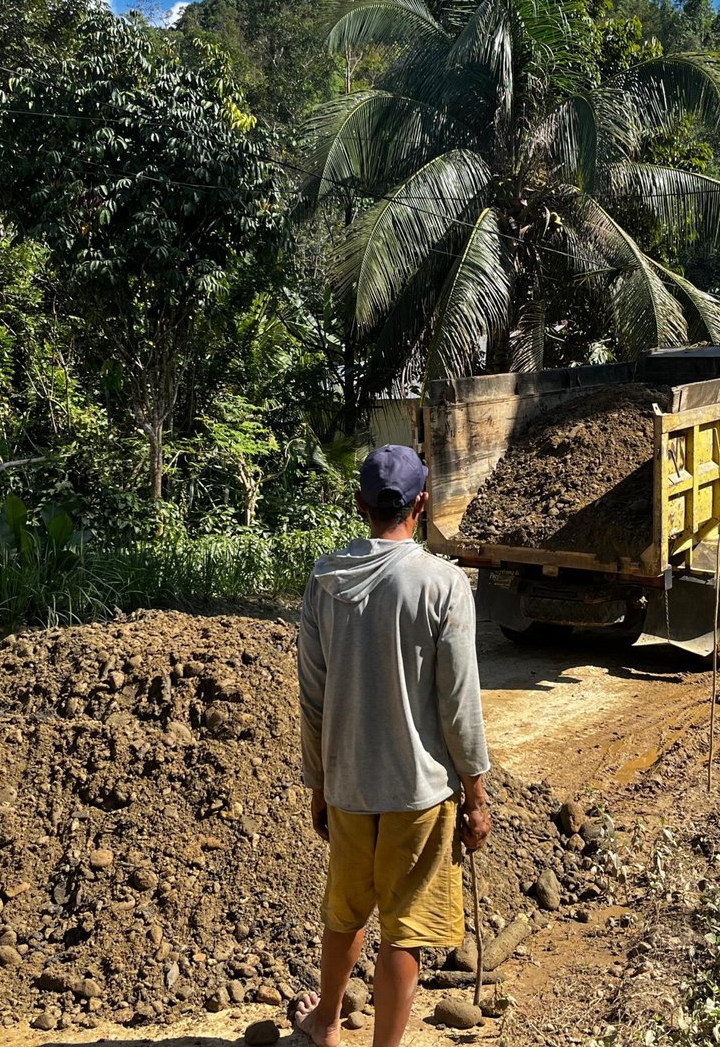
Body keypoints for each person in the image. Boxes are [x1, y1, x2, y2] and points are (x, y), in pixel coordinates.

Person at [292, 444, 492, 1047]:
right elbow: (459, 703)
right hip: (420, 793)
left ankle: (325, 1023)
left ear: (360, 505)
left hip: (350, 785)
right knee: (404, 927)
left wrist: (319, 785)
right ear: (422, 503)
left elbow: (313, 697)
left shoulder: (327, 581)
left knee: (346, 909)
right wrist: (477, 793)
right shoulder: (442, 583)